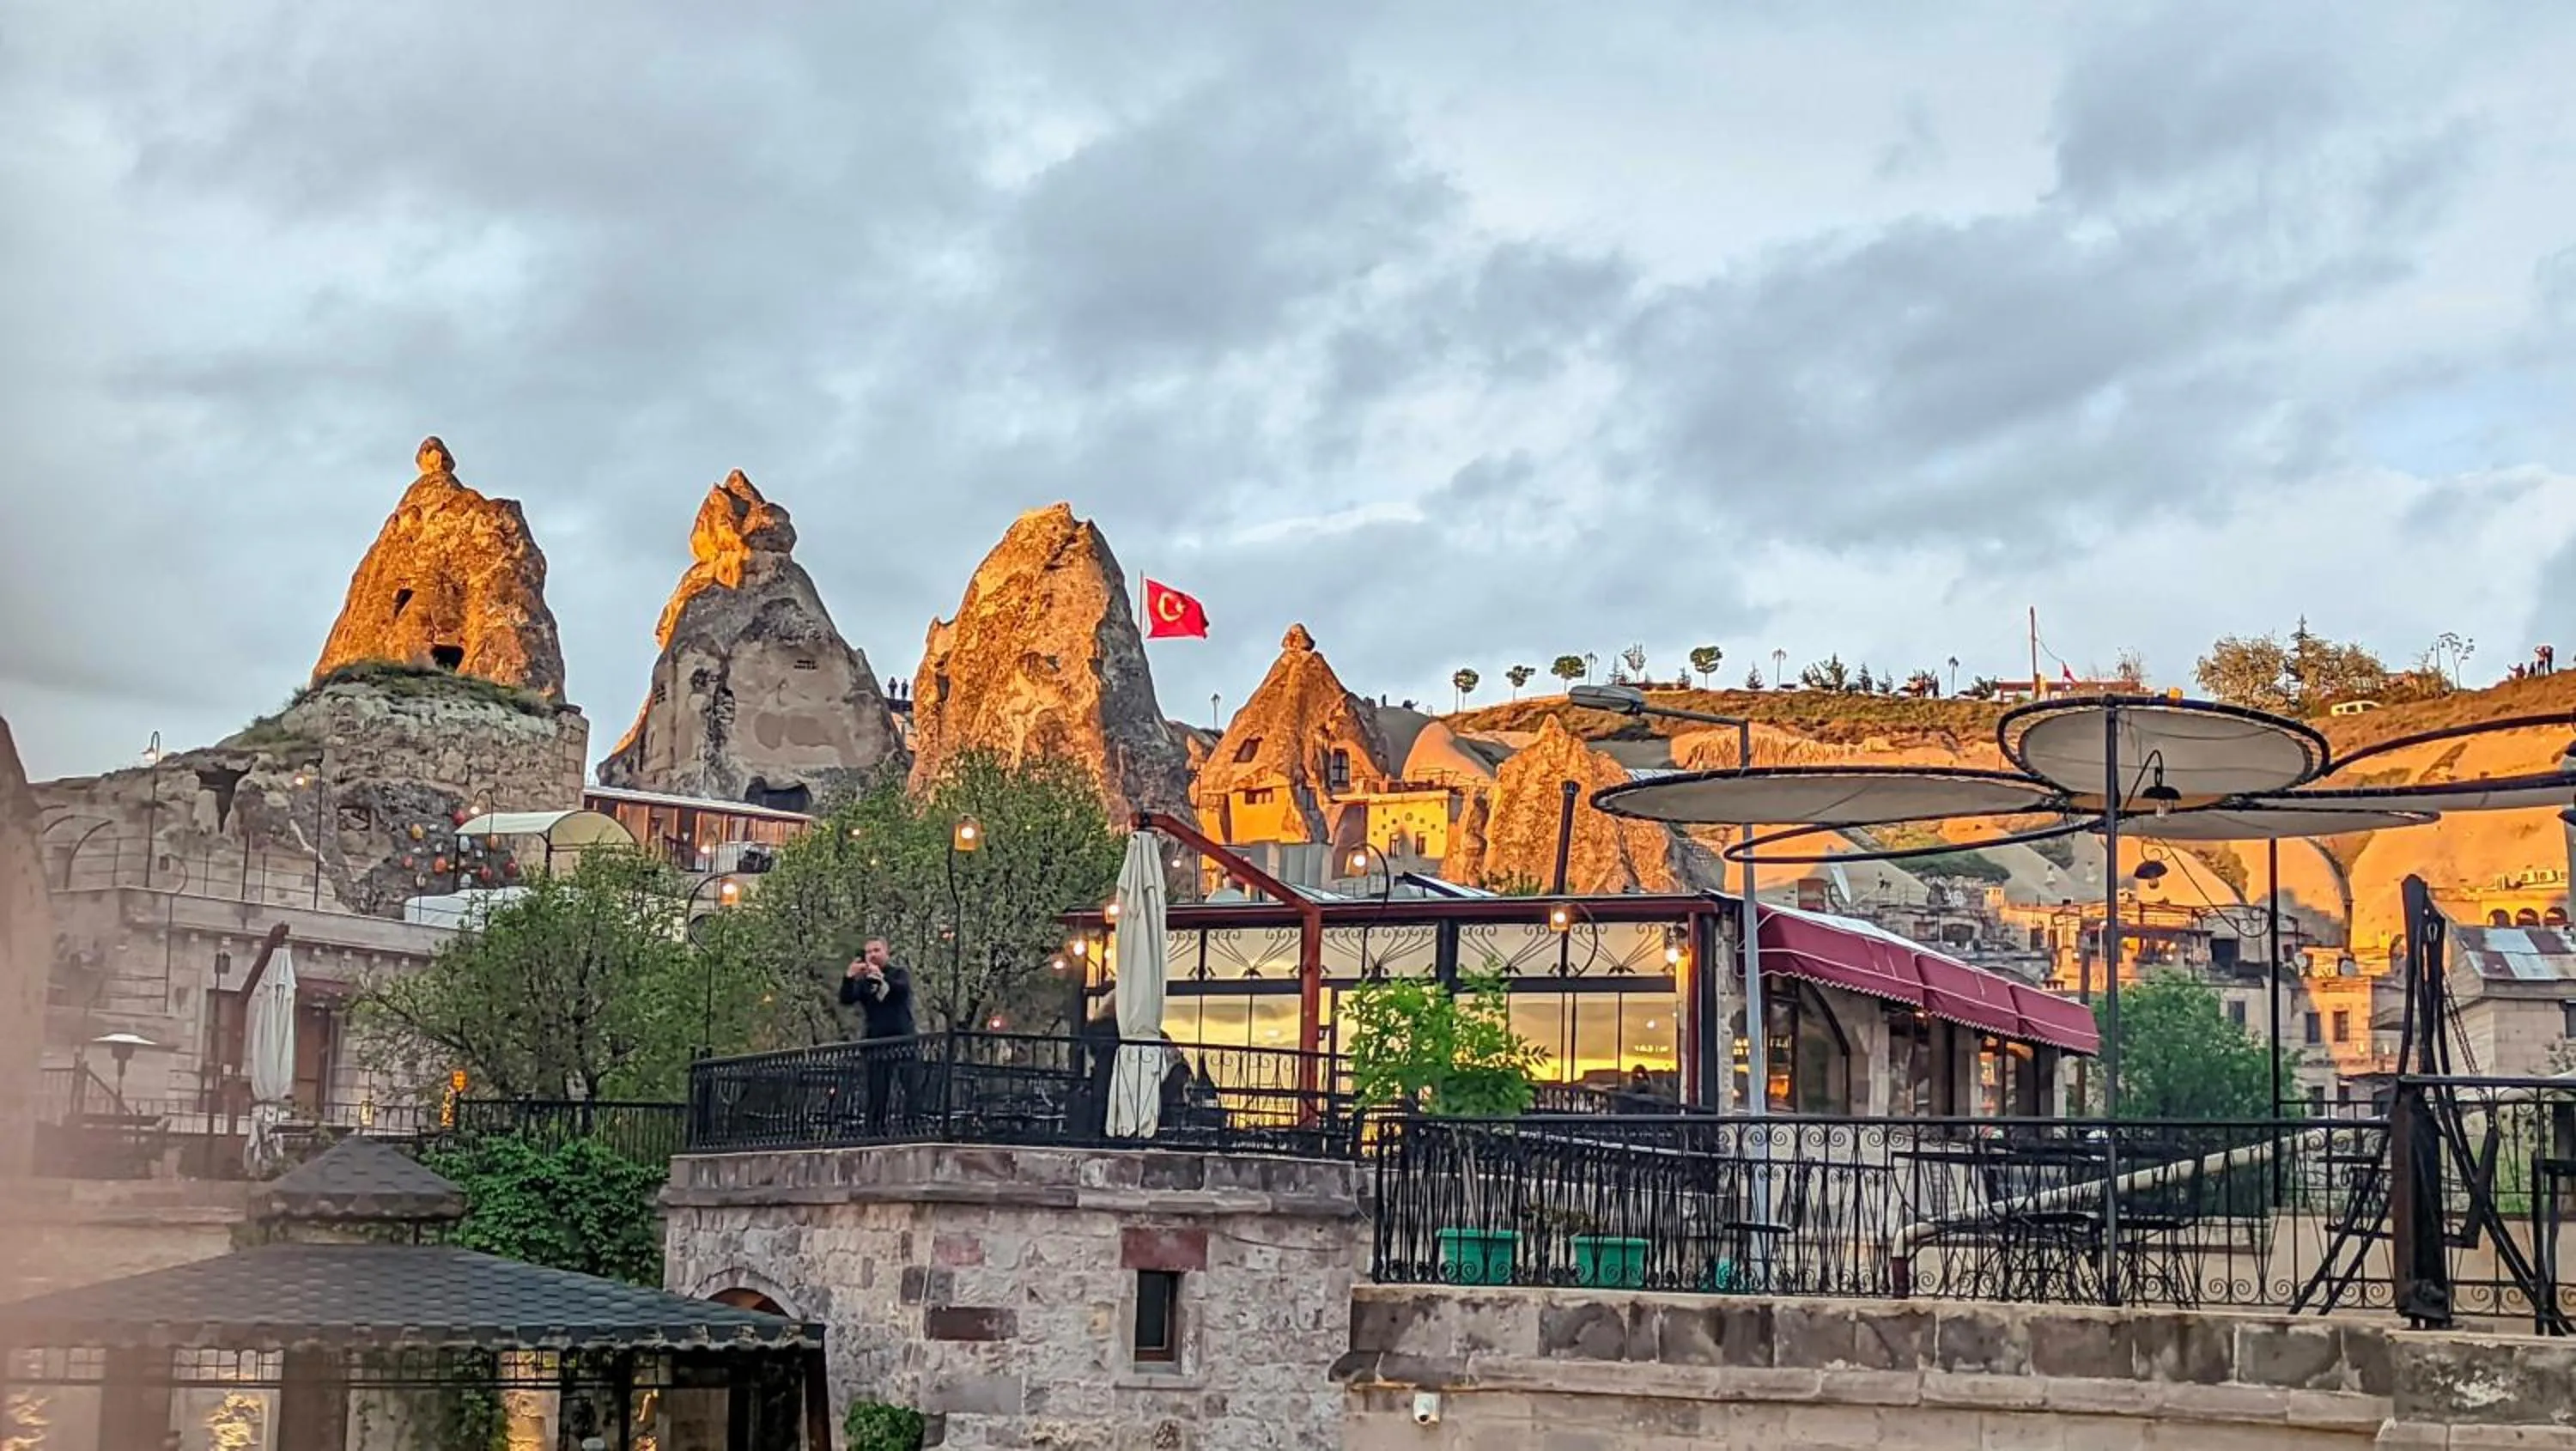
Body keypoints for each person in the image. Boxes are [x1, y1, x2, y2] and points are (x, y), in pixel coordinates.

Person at [840, 939, 914, 1131]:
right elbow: (846, 998)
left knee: (911, 1088)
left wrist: (882, 978)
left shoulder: (898, 973)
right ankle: (874, 1130)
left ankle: (912, 1127)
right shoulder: (865, 983)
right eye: (868, 952)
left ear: (886, 953)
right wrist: (849, 977)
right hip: (876, 1042)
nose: (872, 955)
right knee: (877, 1090)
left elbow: (900, 990)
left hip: (902, 1039)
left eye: (876, 950)